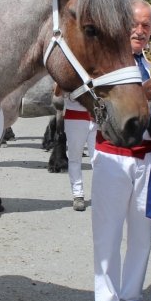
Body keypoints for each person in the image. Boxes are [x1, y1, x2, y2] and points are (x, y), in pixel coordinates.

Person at [91, 0, 151, 301]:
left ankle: (132, 298)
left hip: (150, 156)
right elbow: (99, 107)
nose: (139, 32)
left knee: (143, 235)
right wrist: (139, 93)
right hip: (113, 154)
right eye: (134, 25)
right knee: (108, 234)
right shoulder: (107, 60)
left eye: (146, 26)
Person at [55, 82, 99, 211]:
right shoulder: (71, 69)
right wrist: (61, 80)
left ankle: (100, 194)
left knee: (99, 160)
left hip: (97, 117)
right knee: (75, 158)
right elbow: (57, 92)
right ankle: (78, 195)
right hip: (75, 117)